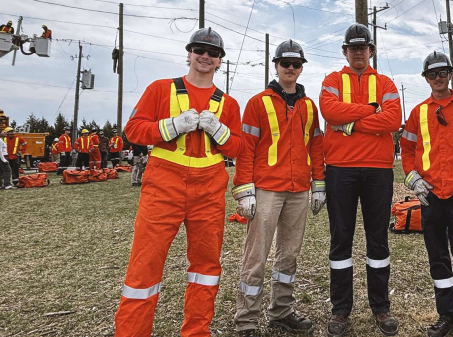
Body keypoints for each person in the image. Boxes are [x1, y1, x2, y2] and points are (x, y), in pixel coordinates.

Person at [115, 27, 244, 337]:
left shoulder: (229, 104)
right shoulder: (160, 89)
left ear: (219, 62)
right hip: (163, 187)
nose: (205, 56)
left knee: (206, 268)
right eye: (199, 49)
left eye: (212, 53)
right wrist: (171, 126)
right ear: (189, 54)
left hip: (210, 190)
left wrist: (217, 130)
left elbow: (237, 148)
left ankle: (197, 332)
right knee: (144, 265)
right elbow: (132, 130)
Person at [232, 40, 325, 336]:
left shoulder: (309, 106)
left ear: (301, 69)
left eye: (296, 64)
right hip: (267, 190)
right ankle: (246, 320)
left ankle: (281, 311)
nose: (290, 69)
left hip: (298, 191)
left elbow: (317, 147)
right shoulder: (258, 103)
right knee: (255, 256)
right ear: (275, 66)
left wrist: (318, 185)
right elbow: (245, 150)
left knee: (289, 255)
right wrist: (245, 190)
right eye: (285, 64)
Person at [319, 23, 402, 336]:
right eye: (352, 47)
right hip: (340, 168)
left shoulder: (386, 81)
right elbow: (330, 112)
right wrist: (370, 112)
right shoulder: (331, 80)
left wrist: (352, 124)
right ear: (345, 51)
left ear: (371, 50)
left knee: (377, 237)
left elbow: (393, 119)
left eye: (362, 47)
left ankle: (380, 307)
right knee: (341, 238)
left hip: (378, 170)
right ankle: (341, 309)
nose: (357, 52)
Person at [400, 51, 453, 337]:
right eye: (432, 74)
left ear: (450, 74)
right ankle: (448, 315)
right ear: (425, 78)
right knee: (437, 258)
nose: (438, 78)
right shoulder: (418, 113)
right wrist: (413, 179)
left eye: (442, 73)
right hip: (431, 197)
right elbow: (408, 150)